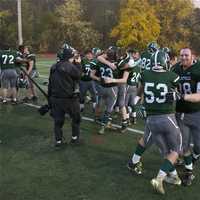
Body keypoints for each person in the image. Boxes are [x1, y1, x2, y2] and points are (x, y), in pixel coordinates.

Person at [128, 50, 182, 194]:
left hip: (151, 119)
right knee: (176, 150)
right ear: (166, 62)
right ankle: (159, 178)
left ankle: (175, 177)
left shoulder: (145, 74)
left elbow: (140, 91)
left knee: (165, 150)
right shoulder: (173, 76)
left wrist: (136, 104)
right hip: (167, 118)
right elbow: (179, 94)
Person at [172, 47, 200, 186]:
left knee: (199, 145)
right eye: (181, 55)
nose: (183, 58)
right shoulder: (175, 68)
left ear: (193, 56)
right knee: (184, 145)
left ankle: (194, 158)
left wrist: (182, 96)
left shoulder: (198, 69)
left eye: (186, 55)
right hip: (180, 113)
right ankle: (189, 171)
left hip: (197, 113)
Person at [48, 45, 82, 147]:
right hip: (69, 99)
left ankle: (58, 141)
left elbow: (50, 83)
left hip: (55, 98)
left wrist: (50, 98)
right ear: (69, 57)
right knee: (76, 119)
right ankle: (75, 138)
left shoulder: (54, 66)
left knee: (58, 121)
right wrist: (79, 64)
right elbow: (78, 76)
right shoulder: (70, 66)